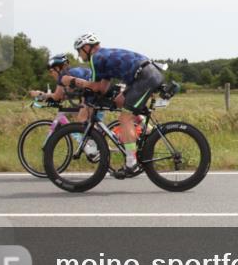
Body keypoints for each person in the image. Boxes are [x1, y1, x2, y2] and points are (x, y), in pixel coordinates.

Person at [69, 32, 163, 173]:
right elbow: (102, 88)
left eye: (78, 51)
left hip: (145, 77)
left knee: (125, 117)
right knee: (119, 100)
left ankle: (131, 163)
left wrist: (74, 81)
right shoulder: (103, 56)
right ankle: (146, 129)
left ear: (86, 47)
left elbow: (95, 86)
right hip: (145, 75)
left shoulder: (96, 58)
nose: (78, 55)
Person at [29, 54, 102, 160]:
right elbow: (63, 96)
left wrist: (39, 94)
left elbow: (57, 97)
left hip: (93, 92)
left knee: (82, 119)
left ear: (58, 68)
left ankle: (100, 148)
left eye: (51, 71)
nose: (50, 74)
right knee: (84, 119)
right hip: (95, 90)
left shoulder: (63, 76)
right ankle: (98, 146)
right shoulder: (70, 73)